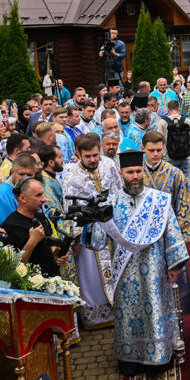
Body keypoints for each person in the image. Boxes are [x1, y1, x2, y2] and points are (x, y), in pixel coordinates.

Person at [85, 151, 188, 376]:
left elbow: (172, 231)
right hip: (125, 274)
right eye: (130, 172)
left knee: (155, 311)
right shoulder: (111, 203)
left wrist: (175, 265)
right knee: (128, 315)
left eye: (138, 171)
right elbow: (99, 241)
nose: (135, 176)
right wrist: (91, 221)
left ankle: (158, 360)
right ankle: (129, 360)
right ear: (121, 174)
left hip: (155, 271)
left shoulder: (158, 200)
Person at [61, 133, 124, 329]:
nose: (93, 160)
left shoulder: (109, 165)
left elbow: (119, 191)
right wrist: (76, 239)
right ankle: (98, 316)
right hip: (89, 233)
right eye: (88, 156)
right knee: (92, 276)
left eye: (96, 155)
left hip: (113, 226)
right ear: (79, 154)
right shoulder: (72, 178)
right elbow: (70, 211)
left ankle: (121, 310)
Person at [2, 177, 64, 277]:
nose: (44, 199)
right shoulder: (10, 225)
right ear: (22, 198)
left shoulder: (40, 217)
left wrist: (55, 253)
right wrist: (33, 240)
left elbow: (49, 242)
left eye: (43, 194)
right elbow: (13, 268)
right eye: (38, 195)